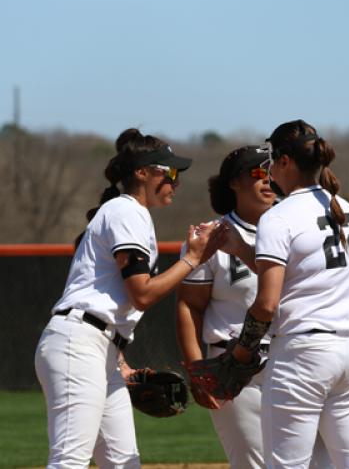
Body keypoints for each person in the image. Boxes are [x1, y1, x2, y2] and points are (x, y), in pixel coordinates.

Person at [34, 128, 222, 469]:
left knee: (123, 462)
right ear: (142, 172)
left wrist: (118, 360)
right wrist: (193, 259)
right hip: (80, 343)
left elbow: (115, 296)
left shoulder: (127, 213)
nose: (176, 182)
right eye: (171, 172)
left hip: (99, 347)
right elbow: (142, 294)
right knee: (69, 460)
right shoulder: (126, 211)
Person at [224, 120, 349, 469]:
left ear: (287, 162)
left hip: (303, 354)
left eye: (272, 160)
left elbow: (266, 303)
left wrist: (243, 351)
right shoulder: (345, 208)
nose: (269, 169)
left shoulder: (278, 216)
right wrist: (243, 250)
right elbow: (304, 272)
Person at [176, 145, 335, 469]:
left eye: (271, 171)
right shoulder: (212, 236)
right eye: (257, 172)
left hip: (296, 359)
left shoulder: (298, 227)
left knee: (321, 462)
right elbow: (190, 306)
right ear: (234, 182)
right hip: (234, 369)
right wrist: (197, 372)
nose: (267, 180)